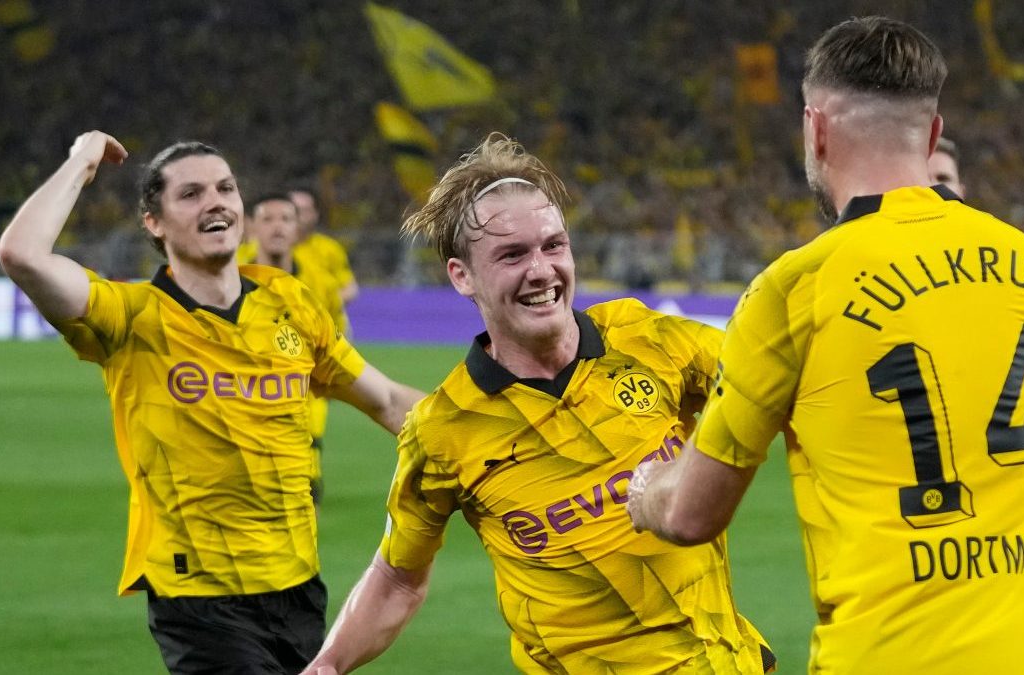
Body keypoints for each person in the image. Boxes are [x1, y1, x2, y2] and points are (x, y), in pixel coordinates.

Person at [628, 17, 1024, 674]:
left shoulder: (795, 287)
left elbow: (689, 514)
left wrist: (647, 486)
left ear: (815, 130)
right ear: (932, 133)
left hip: (893, 654)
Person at [301, 133, 776, 674]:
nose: (541, 271)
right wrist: (329, 665)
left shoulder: (645, 337)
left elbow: (769, 382)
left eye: (553, 245)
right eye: (512, 254)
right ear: (462, 275)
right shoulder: (443, 429)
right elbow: (397, 577)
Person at [0, 131, 424, 674]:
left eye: (225, 188)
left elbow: (386, 401)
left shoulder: (289, 302)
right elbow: (22, 254)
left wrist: (485, 434)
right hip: (198, 598)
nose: (216, 201)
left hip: (298, 590)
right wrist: (83, 160)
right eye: (191, 194)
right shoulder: (131, 317)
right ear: (154, 222)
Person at [245, 193, 347, 502]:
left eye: (286, 219)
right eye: (268, 219)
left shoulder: (320, 281)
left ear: (297, 228)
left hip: (305, 392)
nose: (277, 227)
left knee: (305, 481)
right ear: (251, 227)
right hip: (241, 396)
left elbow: (337, 339)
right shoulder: (228, 274)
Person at [289, 187, 359, 335]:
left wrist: (321, 305)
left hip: (330, 328)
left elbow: (350, 289)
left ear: (315, 214)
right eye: (293, 210)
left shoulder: (330, 248)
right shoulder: (269, 250)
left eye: (304, 210)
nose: (298, 216)